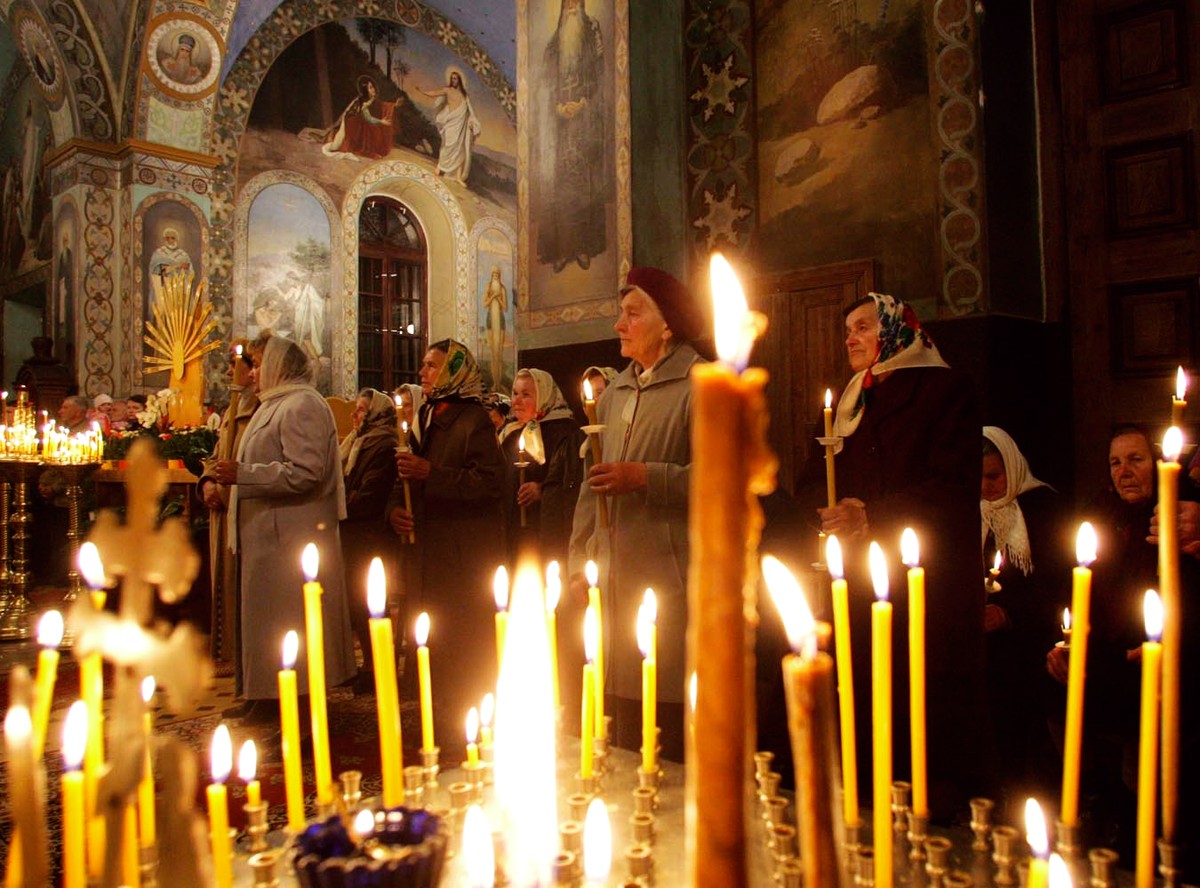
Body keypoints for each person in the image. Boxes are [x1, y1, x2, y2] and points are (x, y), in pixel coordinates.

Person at [819, 292, 986, 818]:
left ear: (896, 330)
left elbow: (953, 488)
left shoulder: (945, 389)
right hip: (862, 585)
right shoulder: (851, 401)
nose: (851, 338)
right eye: (847, 330)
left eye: (863, 327)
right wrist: (817, 510)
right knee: (868, 710)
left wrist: (872, 516)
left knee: (925, 718)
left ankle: (935, 828)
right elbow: (819, 474)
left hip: (929, 586)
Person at [568, 266, 705, 761]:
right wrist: (578, 561)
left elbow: (726, 481)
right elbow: (591, 489)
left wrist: (647, 477)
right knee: (618, 728)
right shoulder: (616, 392)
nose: (619, 325)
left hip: (670, 583)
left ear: (667, 325)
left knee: (665, 730)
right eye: (619, 313)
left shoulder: (700, 385)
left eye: (632, 313)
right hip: (610, 583)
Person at [210, 334, 356, 727]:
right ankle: (262, 695)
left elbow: (306, 472)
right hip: (266, 536)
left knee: (289, 624)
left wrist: (243, 474)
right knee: (264, 623)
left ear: (279, 365)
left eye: (258, 365)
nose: (251, 373)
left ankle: (299, 715)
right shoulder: (274, 404)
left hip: (291, 536)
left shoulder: (302, 404)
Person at [386, 340, 505, 743]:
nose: (423, 373)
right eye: (423, 365)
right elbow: (405, 473)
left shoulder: (474, 420)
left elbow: (490, 483)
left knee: (461, 639)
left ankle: (465, 718)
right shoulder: (426, 414)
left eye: (432, 366)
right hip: (430, 549)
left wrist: (431, 473)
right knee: (433, 634)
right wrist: (395, 510)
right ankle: (435, 711)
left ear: (455, 370)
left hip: (461, 553)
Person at [980, 426, 1069, 807]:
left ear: (1012, 468)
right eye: (978, 477)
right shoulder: (969, 511)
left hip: (1033, 647)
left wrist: (1009, 613)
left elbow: (1060, 583)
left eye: (993, 476)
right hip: (984, 650)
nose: (984, 487)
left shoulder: (1043, 508)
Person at [198, 340, 260, 686]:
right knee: (221, 580)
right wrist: (208, 481)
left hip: (243, 505)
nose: (228, 372)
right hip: (220, 508)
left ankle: (243, 655)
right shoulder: (229, 411)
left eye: (236, 365)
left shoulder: (261, 409)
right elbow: (217, 454)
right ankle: (225, 651)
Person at [536, 0, 607, 273]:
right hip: (560, 127)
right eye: (568, 3)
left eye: (576, 2)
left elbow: (600, 72)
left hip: (585, 122)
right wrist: (556, 107)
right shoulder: (555, 43)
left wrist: (585, 102)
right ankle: (563, 249)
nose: (572, 7)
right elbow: (546, 80)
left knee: (583, 186)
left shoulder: (592, 30)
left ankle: (582, 247)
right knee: (561, 189)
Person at [339, 388, 399, 694]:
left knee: (370, 602)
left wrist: (339, 502)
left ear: (377, 414)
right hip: (353, 532)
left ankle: (379, 666)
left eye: (362, 410)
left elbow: (369, 495)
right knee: (356, 603)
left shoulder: (384, 444)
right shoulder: (355, 442)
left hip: (370, 534)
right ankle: (368, 665)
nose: (355, 415)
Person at [499, 368, 584, 563]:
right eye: (515, 393)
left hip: (546, 528)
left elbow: (573, 480)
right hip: (513, 528)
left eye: (526, 395)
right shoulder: (510, 433)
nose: (517, 401)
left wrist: (542, 489)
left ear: (544, 396)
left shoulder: (565, 433)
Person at [419, 69, 480, 185]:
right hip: (451, 122)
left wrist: (472, 121)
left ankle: (458, 176)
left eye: (455, 78)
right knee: (447, 145)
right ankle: (439, 167)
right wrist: (422, 91)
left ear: (459, 80)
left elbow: (470, 110)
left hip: (460, 125)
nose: (453, 80)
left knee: (460, 150)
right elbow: (435, 93)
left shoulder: (464, 95)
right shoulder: (447, 90)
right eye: (452, 78)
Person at [323, 75, 396, 160]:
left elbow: (382, 106)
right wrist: (381, 121)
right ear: (366, 90)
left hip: (360, 124)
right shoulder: (363, 102)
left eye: (373, 87)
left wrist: (394, 105)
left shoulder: (372, 99)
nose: (374, 89)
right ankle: (365, 149)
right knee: (368, 126)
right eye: (370, 88)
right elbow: (369, 118)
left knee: (372, 128)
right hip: (351, 126)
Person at [482, 266, 508, 387]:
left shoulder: (502, 288)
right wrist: (493, 296)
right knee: (493, 353)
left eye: (497, 274)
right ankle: (494, 383)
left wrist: (498, 298)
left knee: (500, 353)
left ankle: (499, 382)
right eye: (494, 274)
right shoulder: (488, 287)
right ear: (491, 276)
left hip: (500, 321)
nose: (495, 276)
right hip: (490, 320)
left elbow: (505, 308)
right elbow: (485, 304)